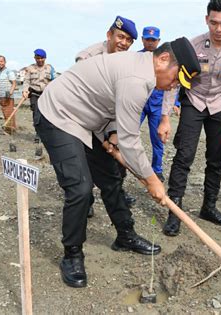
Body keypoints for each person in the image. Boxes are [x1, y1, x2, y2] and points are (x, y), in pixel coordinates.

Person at [34, 37, 200, 288]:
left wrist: (111, 133)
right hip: (59, 115)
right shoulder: (137, 79)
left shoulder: (141, 69)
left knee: (112, 176)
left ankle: (125, 235)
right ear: (163, 59)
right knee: (79, 187)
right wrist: (152, 179)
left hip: (89, 120)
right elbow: (131, 141)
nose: (173, 85)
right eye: (177, 78)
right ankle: (72, 255)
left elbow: (111, 105)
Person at [158, 0, 221, 236]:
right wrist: (165, 118)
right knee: (184, 156)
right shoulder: (193, 46)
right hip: (194, 102)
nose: (219, 29)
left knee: (216, 159)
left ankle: (208, 207)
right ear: (206, 20)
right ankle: (175, 212)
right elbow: (172, 83)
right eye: (214, 23)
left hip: (218, 105)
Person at [75, 15, 139, 217]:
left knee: (118, 160)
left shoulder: (127, 62)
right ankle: (87, 201)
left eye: (129, 40)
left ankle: (118, 193)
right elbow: (87, 98)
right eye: (121, 37)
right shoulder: (88, 57)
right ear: (109, 34)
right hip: (83, 119)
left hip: (110, 119)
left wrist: (115, 132)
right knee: (84, 163)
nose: (124, 43)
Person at [139, 26, 174, 182]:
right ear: (142, 39)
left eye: (153, 40)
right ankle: (124, 166)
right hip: (139, 104)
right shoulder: (136, 58)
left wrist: (176, 103)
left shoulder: (165, 60)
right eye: (148, 39)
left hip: (157, 105)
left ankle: (157, 169)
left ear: (158, 41)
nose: (150, 43)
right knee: (127, 134)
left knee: (158, 139)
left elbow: (173, 82)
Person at [22, 49, 55, 142]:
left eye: (41, 58)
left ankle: (47, 132)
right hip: (34, 93)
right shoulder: (30, 68)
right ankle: (38, 133)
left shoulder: (50, 68)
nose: (39, 60)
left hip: (46, 94)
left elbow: (54, 81)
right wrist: (25, 91)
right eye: (37, 58)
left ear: (45, 58)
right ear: (35, 58)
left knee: (46, 114)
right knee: (36, 113)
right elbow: (26, 81)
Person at [0, 55, 17, 134]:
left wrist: (10, 92)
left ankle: (11, 130)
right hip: (1, 96)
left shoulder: (9, 71)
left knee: (9, 113)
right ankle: (9, 129)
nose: (0, 63)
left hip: (8, 97)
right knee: (5, 113)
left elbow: (14, 83)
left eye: (1, 61)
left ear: (5, 62)